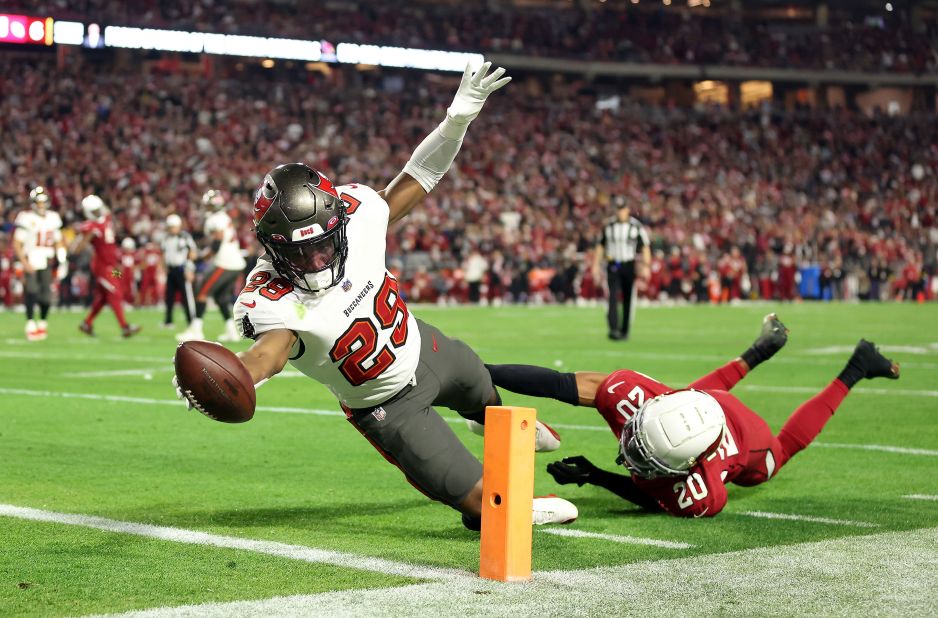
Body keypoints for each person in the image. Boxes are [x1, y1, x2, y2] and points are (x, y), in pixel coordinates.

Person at [173, 62, 575, 530]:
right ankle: (495, 505)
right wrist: (230, 374)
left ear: (338, 222)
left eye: (324, 243)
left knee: (484, 392)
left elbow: (418, 175)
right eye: (301, 251)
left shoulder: (357, 212)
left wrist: (456, 121)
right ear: (273, 247)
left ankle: (486, 421)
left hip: (427, 349)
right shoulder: (270, 296)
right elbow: (269, 356)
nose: (317, 259)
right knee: (494, 509)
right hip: (387, 406)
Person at [485, 314, 900, 518]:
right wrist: (482, 372)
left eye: (642, 455)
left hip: (742, 437)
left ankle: (856, 368)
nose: (628, 450)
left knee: (776, 456)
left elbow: (650, 496)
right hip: (701, 404)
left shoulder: (703, 491)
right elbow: (558, 383)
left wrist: (597, 475)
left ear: (688, 467)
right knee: (692, 393)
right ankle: (760, 350)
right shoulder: (639, 402)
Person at [176, 190, 247, 342]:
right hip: (235, 263)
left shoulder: (215, 219)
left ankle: (196, 330)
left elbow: (217, 243)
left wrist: (200, 258)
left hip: (225, 263)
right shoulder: (223, 217)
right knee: (221, 298)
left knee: (201, 292)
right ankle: (231, 331)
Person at [74, 195, 141, 338]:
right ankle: (124, 327)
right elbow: (78, 249)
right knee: (115, 292)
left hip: (113, 267)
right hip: (102, 268)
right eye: (95, 210)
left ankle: (87, 322)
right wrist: (88, 237)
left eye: (98, 209)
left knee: (105, 296)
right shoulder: (90, 227)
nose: (98, 212)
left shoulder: (106, 218)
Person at [13, 186, 67, 341]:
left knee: (46, 297)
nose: (42, 205)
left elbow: (58, 242)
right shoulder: (26, 217)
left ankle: (42, 323)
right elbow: (17, 243)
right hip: (31, 259)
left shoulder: (53, 218)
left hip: (47, 260)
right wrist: (23, 262)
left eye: (43, 202)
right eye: (39, 202)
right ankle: (30, 323)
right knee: (31, 291)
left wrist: (62, 261)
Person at [593, 198, 650, 340]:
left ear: (627, 209)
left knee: (628, 297)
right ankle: (613, 329)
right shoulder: (609, 226)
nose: (620, 212)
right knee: (612, 296)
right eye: (618, 209)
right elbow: (600, 246)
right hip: (613, 264)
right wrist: (595, 265)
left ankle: (625, 330)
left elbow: (645, 246)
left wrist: (646, 266)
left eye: (622, 209)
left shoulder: (636, 226)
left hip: (628, 264)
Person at [160, 214, 197, 328]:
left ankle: (192, 321)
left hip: (182, 269)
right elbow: (163, 254)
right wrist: (164, 268)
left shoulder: (185, 237)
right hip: (171, 270)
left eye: (174, 226)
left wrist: (190, 269)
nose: (172, 229)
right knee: (169, 297)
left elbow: (193, 253)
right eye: (170, 227)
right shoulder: (165, 238)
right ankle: (168, 321)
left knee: (186, 297)